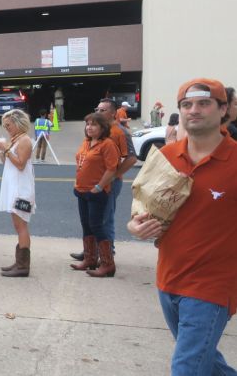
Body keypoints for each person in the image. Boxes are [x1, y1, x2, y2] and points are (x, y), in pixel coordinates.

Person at [127, 78, 237, 375]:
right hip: (169, 279)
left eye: (204, 103)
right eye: (187, 105)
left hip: (213, 287)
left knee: (187, 367)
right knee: (206, 362)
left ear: (223, 108)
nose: (194, 110)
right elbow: (140, 209)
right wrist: (135, 227)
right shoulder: (165, 156)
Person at [72, 98, 137, 260]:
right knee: (90, 220)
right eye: (97, 109)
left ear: (114, 113)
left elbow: (131, 158)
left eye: (103, 110)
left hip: (108, 182)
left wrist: (114, 176)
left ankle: (108, 254)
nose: (98, 112)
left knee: (104, 219)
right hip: (89, 184)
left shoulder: (119, 131)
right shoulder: (91, 135)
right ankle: (91, 253)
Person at [71, 112, 119, 277]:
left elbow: (112, 169)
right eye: (88, 124)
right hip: (82, 190)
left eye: (94, 125)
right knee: (86, 225)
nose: (89, 127)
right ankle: (90, 259)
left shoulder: (107, 144)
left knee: (97, 226)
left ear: (102, 127)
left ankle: (107, 264)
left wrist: (99, 187)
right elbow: (82, 162)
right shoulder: (86, 142)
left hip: (96, 192)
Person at [0, 109, 35, 277]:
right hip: (14, 186)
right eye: (5, 125)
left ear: (18, 123)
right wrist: (1, 151)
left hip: (21, 189)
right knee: (18, 225)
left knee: (21, 225)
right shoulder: (15, 139)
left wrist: (6, 149)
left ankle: (23, 265)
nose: (6, 128)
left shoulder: (24, 140)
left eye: (8, 124)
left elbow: (20, 164)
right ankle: (19, 262)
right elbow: (7, 162)